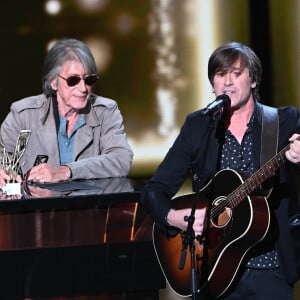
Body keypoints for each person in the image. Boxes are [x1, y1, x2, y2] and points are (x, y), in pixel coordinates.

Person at [141, 41, 300, 299]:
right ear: (212, 84)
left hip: (271, 268)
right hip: (212, 270)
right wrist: (174, 218)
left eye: (236, 73)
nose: (227, 82)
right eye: (220, 74)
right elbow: (154, 190)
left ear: (254, 80)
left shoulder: (284, 121)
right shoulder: (199, 125)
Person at [0, 38, 133, 189]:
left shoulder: (106, 111)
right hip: (37, 210)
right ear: (53, 82)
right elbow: (2, 155)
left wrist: (66, 171)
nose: (83, 88)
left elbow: (121, 160)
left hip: (90, 208)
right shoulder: (23, 114)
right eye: (73, 80)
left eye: (89, 79)